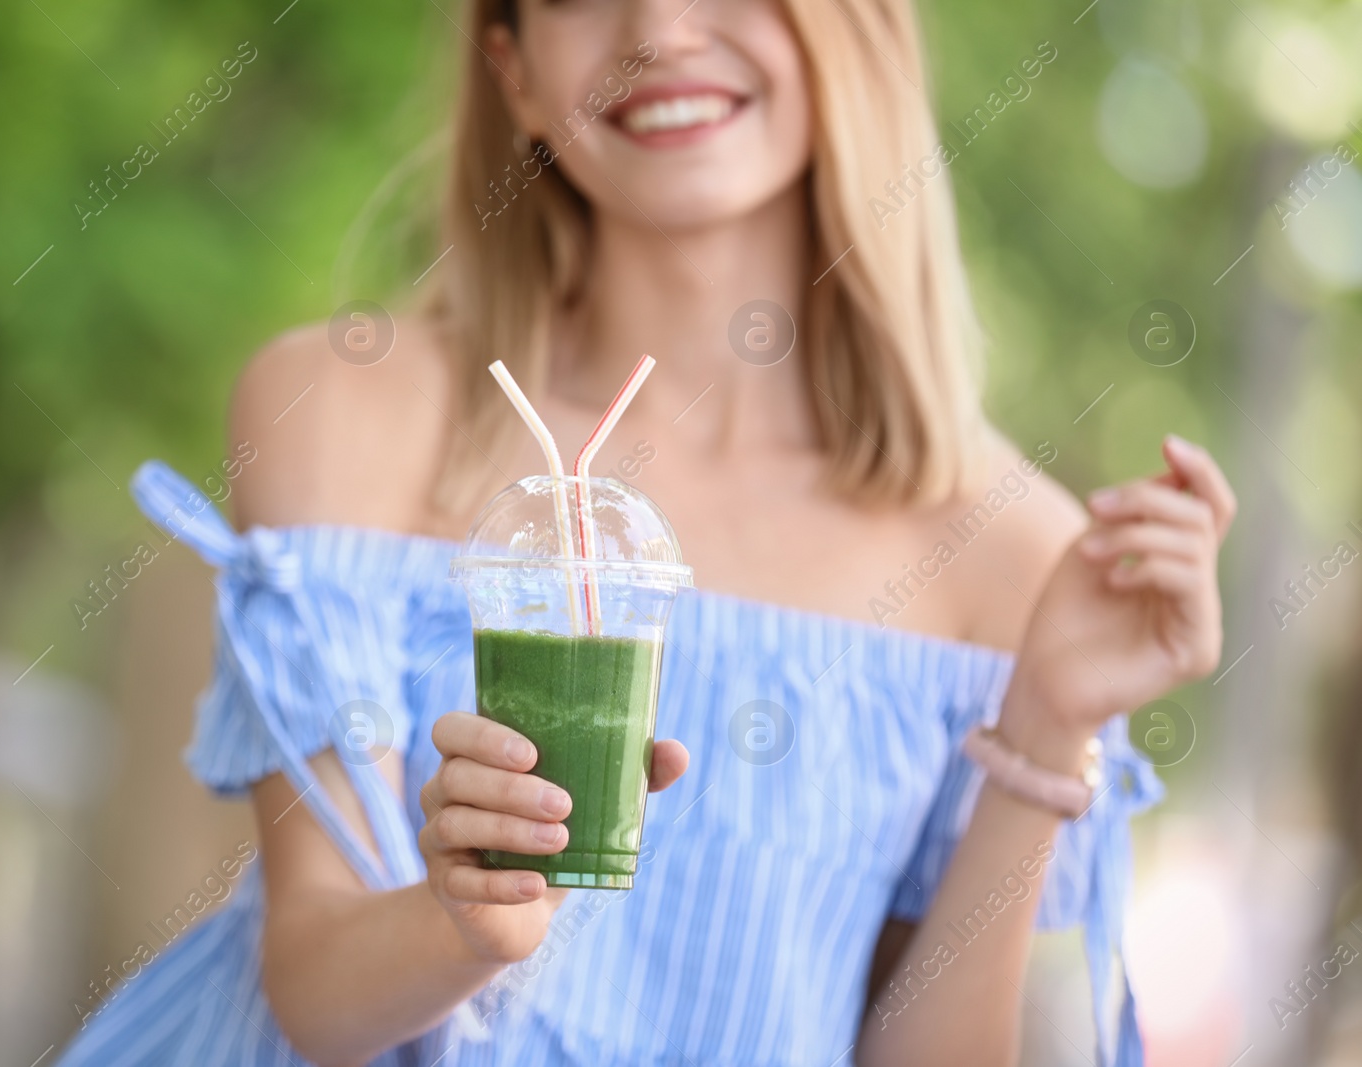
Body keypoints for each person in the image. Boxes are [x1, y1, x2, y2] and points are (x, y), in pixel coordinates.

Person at [60, 1, 1235, 1064]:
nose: (660, 30)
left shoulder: (1008, 549)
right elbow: (313, 989)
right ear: (511, 66)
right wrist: (465, 920)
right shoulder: (344, 411)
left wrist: (1052, 719)